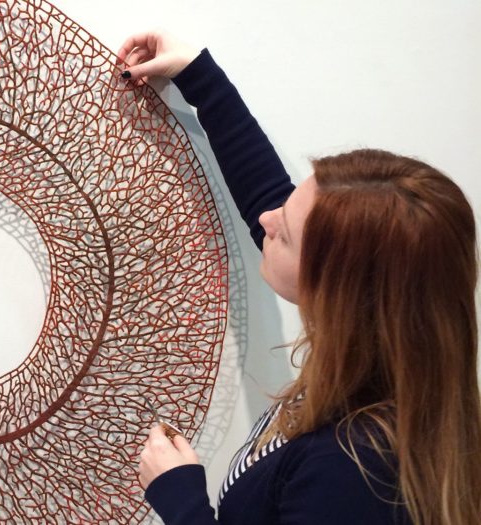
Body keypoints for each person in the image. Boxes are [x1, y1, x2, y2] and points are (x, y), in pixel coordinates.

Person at [118, 31, 481, 525]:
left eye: (283, 233)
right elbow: (268, 197)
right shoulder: (383, 378)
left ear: (336, 293)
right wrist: (197, 76)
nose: (266, 220)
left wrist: (182, 500)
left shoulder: (358, 469)